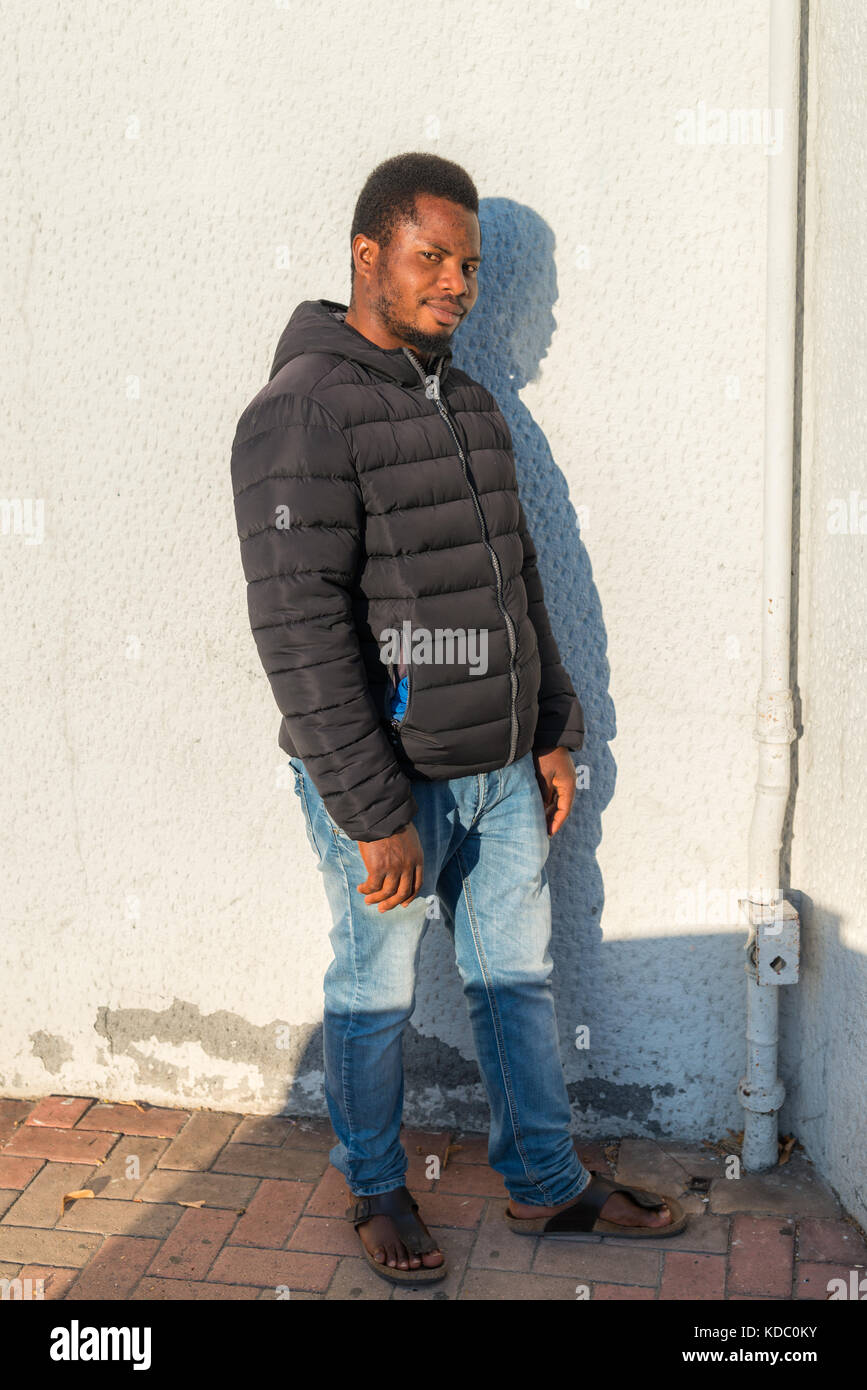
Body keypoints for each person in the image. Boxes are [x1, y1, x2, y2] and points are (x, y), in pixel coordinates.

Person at [231, 152, 685, 1286]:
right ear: (366, 254)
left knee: (516, 977)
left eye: (471, 265)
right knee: (374, 989)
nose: (458, 284)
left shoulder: (469, 402)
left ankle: (546, 1183)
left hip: (498, 765)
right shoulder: (299, 414)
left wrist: (552, 725)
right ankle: (375, 1186)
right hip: (384, 774)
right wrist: (374, 808)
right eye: (433, 257)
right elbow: (300, 632)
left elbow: (516, 582)